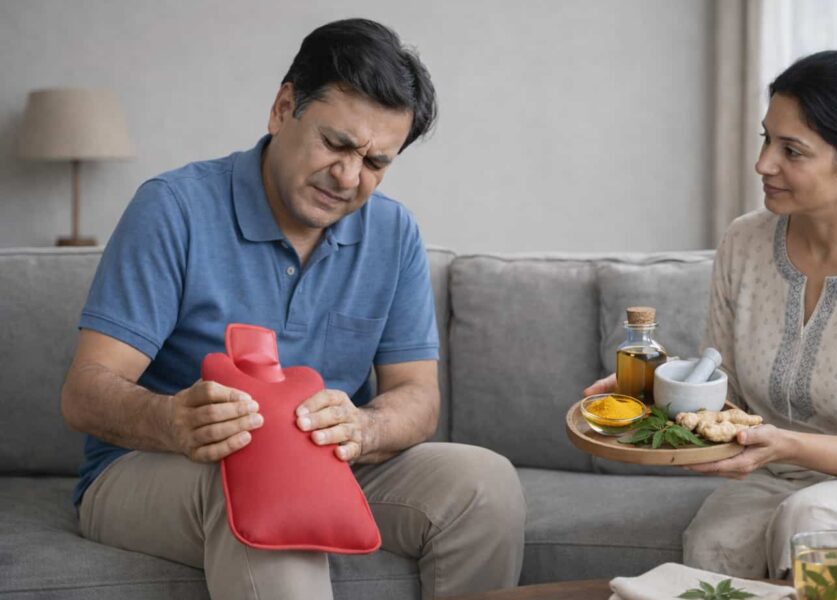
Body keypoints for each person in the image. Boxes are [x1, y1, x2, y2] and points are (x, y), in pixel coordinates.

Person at [61, 19, 525, 600]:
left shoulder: (394, 231)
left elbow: (417, 395)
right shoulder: (173, 208)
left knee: (484, 483)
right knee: (268, 485)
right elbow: (85, 391)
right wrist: (172, 420)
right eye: (337, 144)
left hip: (326, 464)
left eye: (376, 162)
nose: (349, 178)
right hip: (154, 465)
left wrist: (365, 425)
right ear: (283, 108)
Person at [585, 50, 837, 589]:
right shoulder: (744, 241)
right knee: (714, 541)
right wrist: (657, 389)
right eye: (766, 139)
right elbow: (724, 381)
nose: (763, 164)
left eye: (792, 150)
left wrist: (787, 443)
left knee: (814, 521)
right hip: (784, 474)